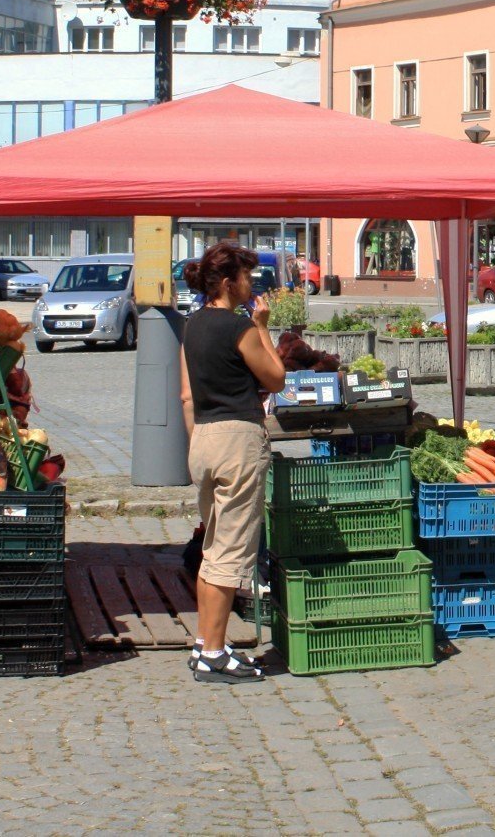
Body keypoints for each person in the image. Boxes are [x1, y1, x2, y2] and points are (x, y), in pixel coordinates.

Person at [179, 243, 286, 683]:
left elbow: (186, 395)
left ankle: (206, 644)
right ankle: (215, 654)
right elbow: (276, 376)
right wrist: (261, 327)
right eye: (247, 277)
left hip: (203, 437)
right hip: (237, 439)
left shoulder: (193, 325)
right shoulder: (236, 327)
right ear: (228, 283)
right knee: (228, 555)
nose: (252, 284)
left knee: (211, 550)